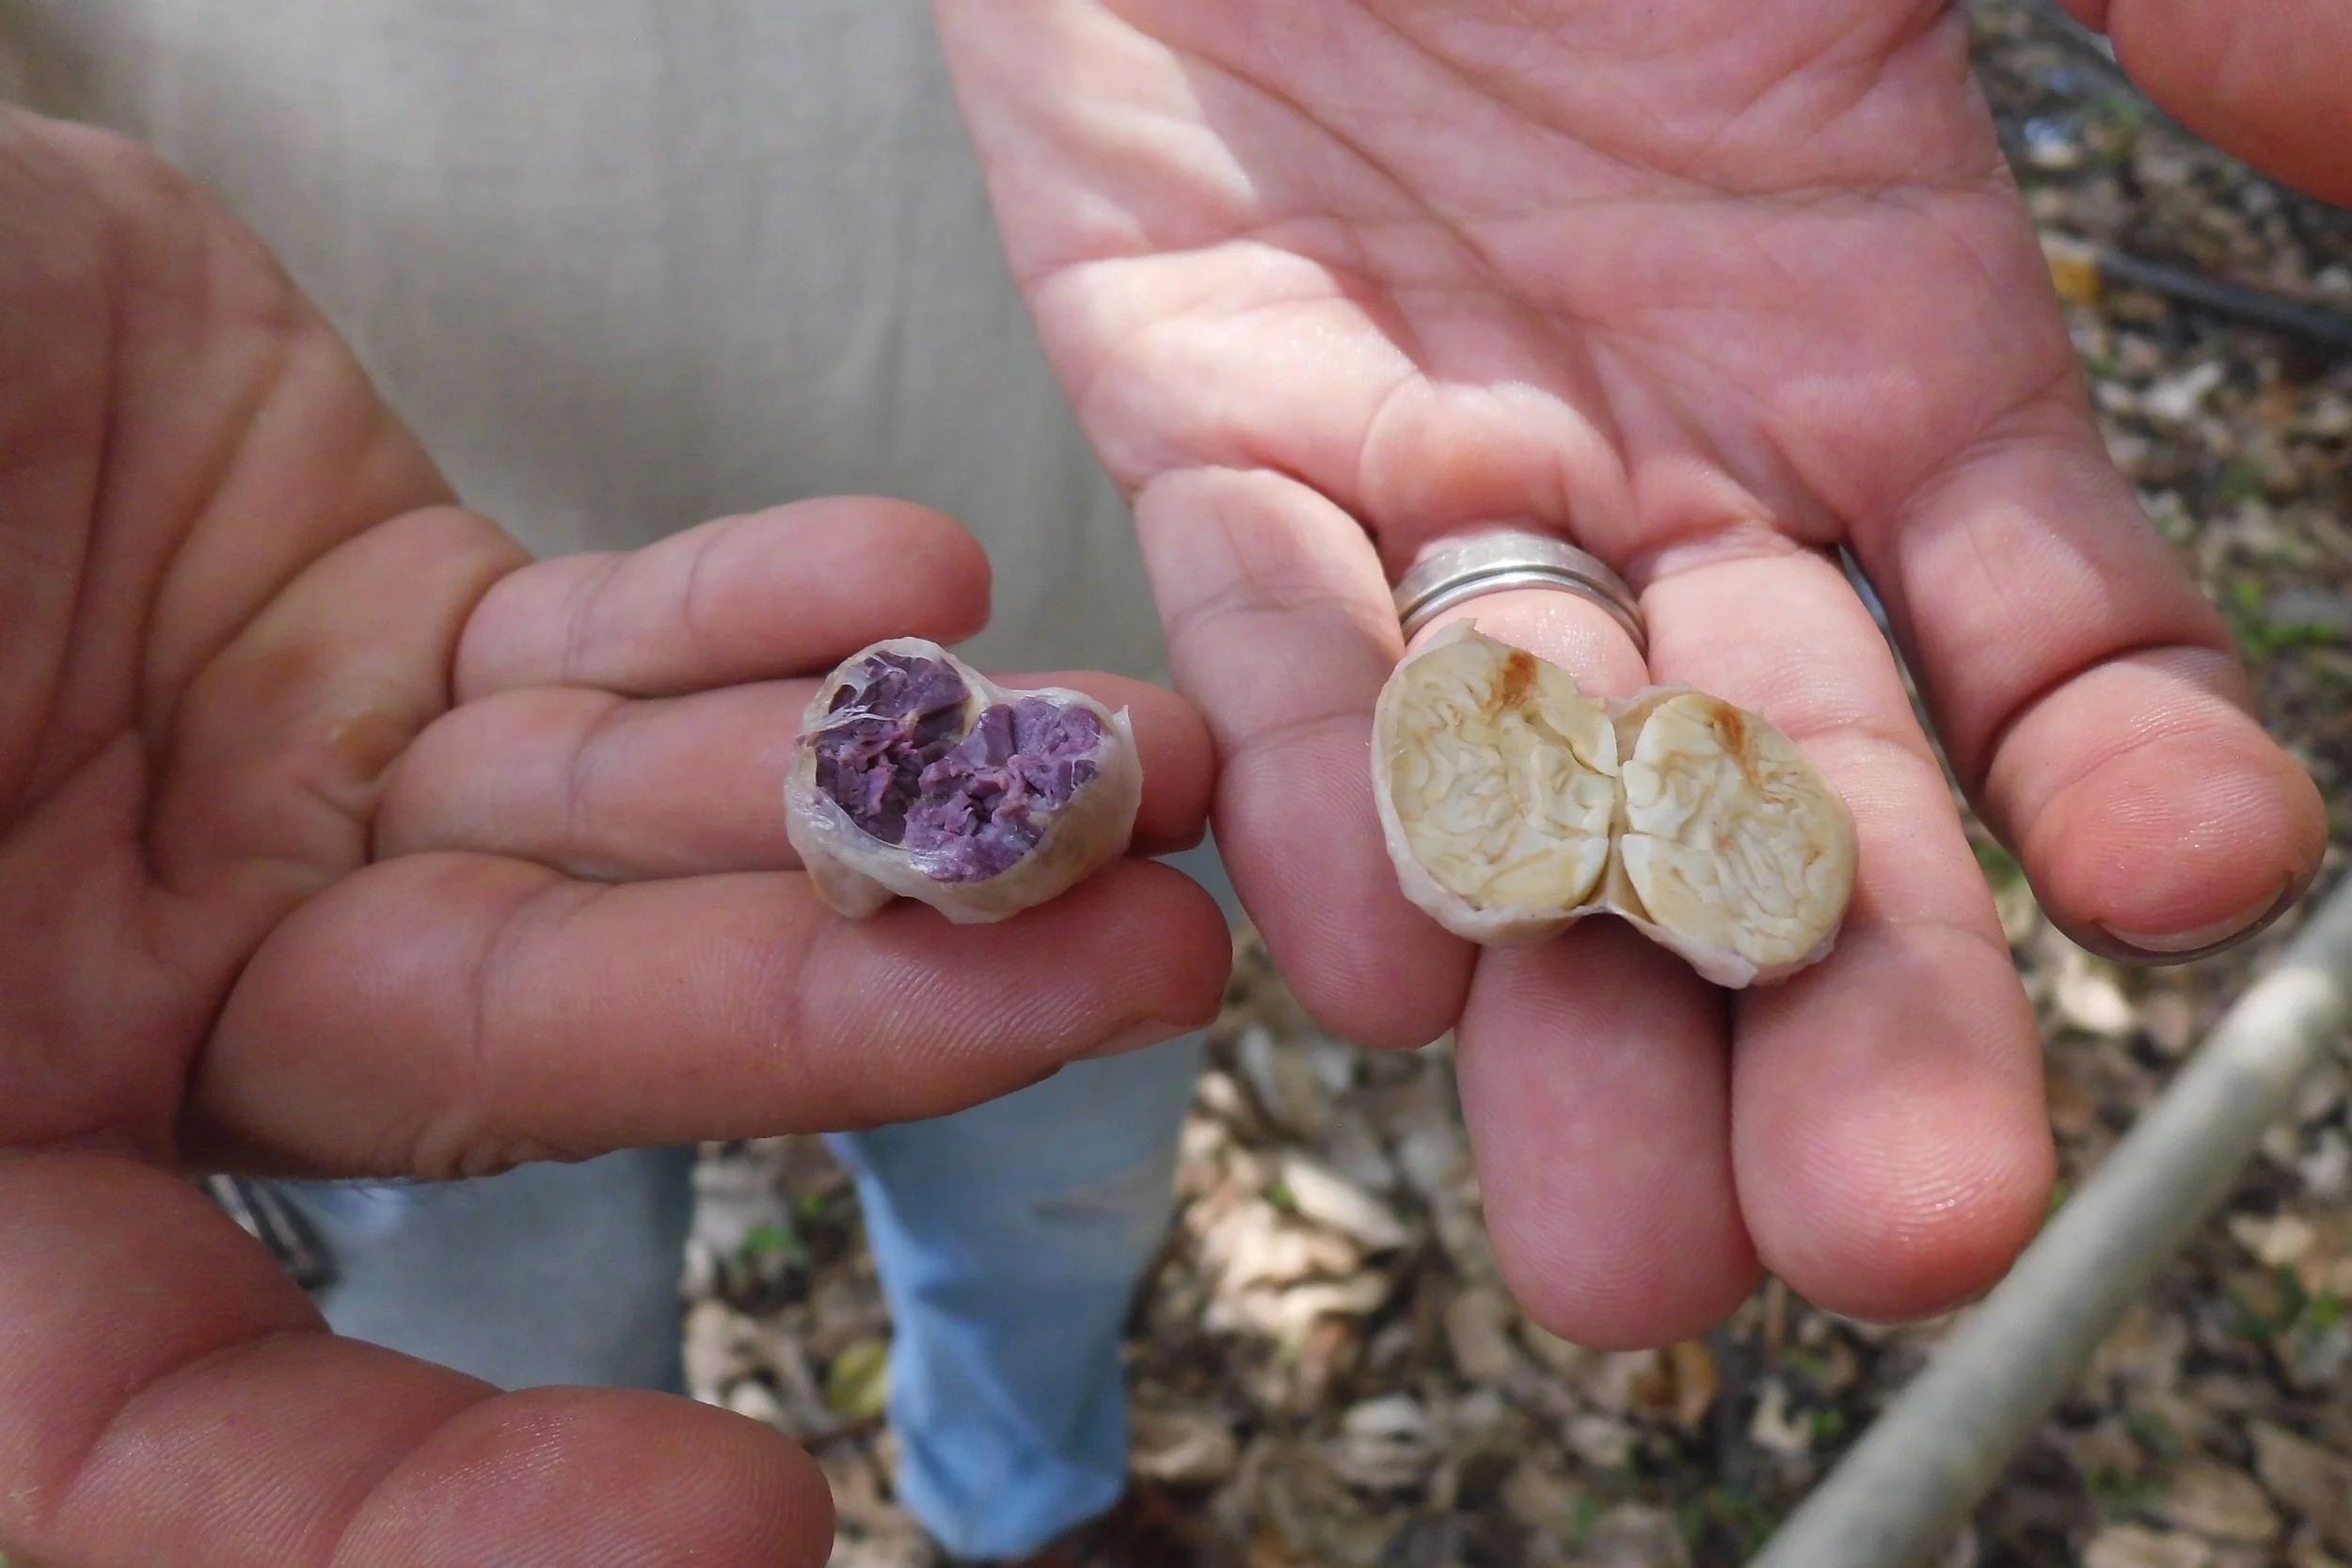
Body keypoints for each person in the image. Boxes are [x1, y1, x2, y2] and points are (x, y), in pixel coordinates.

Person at [0, 1, 2340, 1564]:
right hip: (311, 670)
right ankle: (586, 1405)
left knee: (1051, 1152)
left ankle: (1024, 1493)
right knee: (477, 1291)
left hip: (1201, 575)